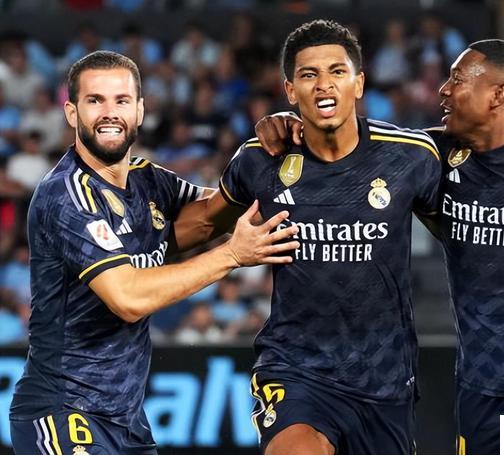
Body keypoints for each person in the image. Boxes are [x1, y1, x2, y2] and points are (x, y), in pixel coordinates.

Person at [256, 39, 504, 455]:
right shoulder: (434, 155)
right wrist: (289, 121)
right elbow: (351, 142)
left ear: (498, 93)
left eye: (457, 79)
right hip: (480, 395)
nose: (443, 90)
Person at [9, 51, 299, 455]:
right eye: (95, 100)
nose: (110, 112)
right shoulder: (66, 195)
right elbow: (128, 298)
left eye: (121, 100)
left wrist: (264, 152)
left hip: (126, 423)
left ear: (140, 110)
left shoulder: (148, 180)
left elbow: (213, 213)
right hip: (63, 412)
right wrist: (232, 255)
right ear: (72, 113)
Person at [220, 20, 443, 455]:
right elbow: (201, 223)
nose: (324, 84)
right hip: (296, 368)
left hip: (385, 378)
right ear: (290, 90)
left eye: (337, 71)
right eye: (309, 75)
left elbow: (465, 231)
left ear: (359, 83)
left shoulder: (411, 156)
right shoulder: (261, 159)